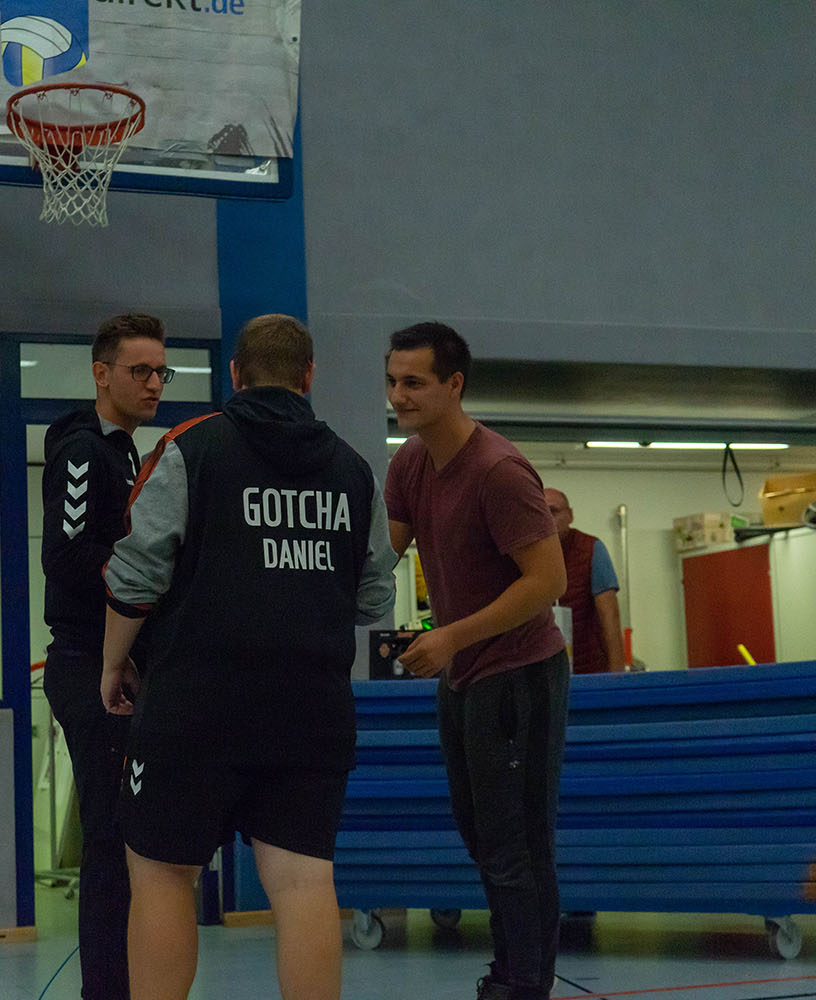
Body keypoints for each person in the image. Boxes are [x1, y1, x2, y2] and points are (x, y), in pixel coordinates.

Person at [101, 314, 397, 1000]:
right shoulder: (354, 469)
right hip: (311, 709)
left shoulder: (190, 448)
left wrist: (114, 665)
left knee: (163, 873)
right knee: (302, 881)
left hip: (194, 705)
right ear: (308, 377)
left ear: (235, 375)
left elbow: (135, 575)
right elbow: (374, 596)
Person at [382, 321, 569, 1000]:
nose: (398, 396)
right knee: (482, 838)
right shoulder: (409, 463)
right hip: (463, 677)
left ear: (454, 385)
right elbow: (381, 557)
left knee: (516, 845)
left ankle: (523, 985)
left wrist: (452, 636)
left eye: (414, 383)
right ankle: (511, 973)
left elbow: (547, 582)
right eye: (392, 381)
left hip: (518, 675)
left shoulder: (498, 471)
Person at [40, 313, 172, 1000]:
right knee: (109, 844)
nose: (153, 384)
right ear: (101, 374)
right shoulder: (85, 453)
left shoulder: (127, 455)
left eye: (160, 372)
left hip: (122, 663)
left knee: (129, 842)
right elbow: (66, 558)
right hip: (89, 663)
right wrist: (148, 583)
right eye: (138, 371)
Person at [543, 488, 626, 673]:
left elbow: (610, 617)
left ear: (570, 515)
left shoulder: (591, 549)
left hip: (588, 669)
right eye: (540, 512)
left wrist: (618, 676)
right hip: (542, 672)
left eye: (553, 511)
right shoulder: (525, 554)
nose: (547, 519)